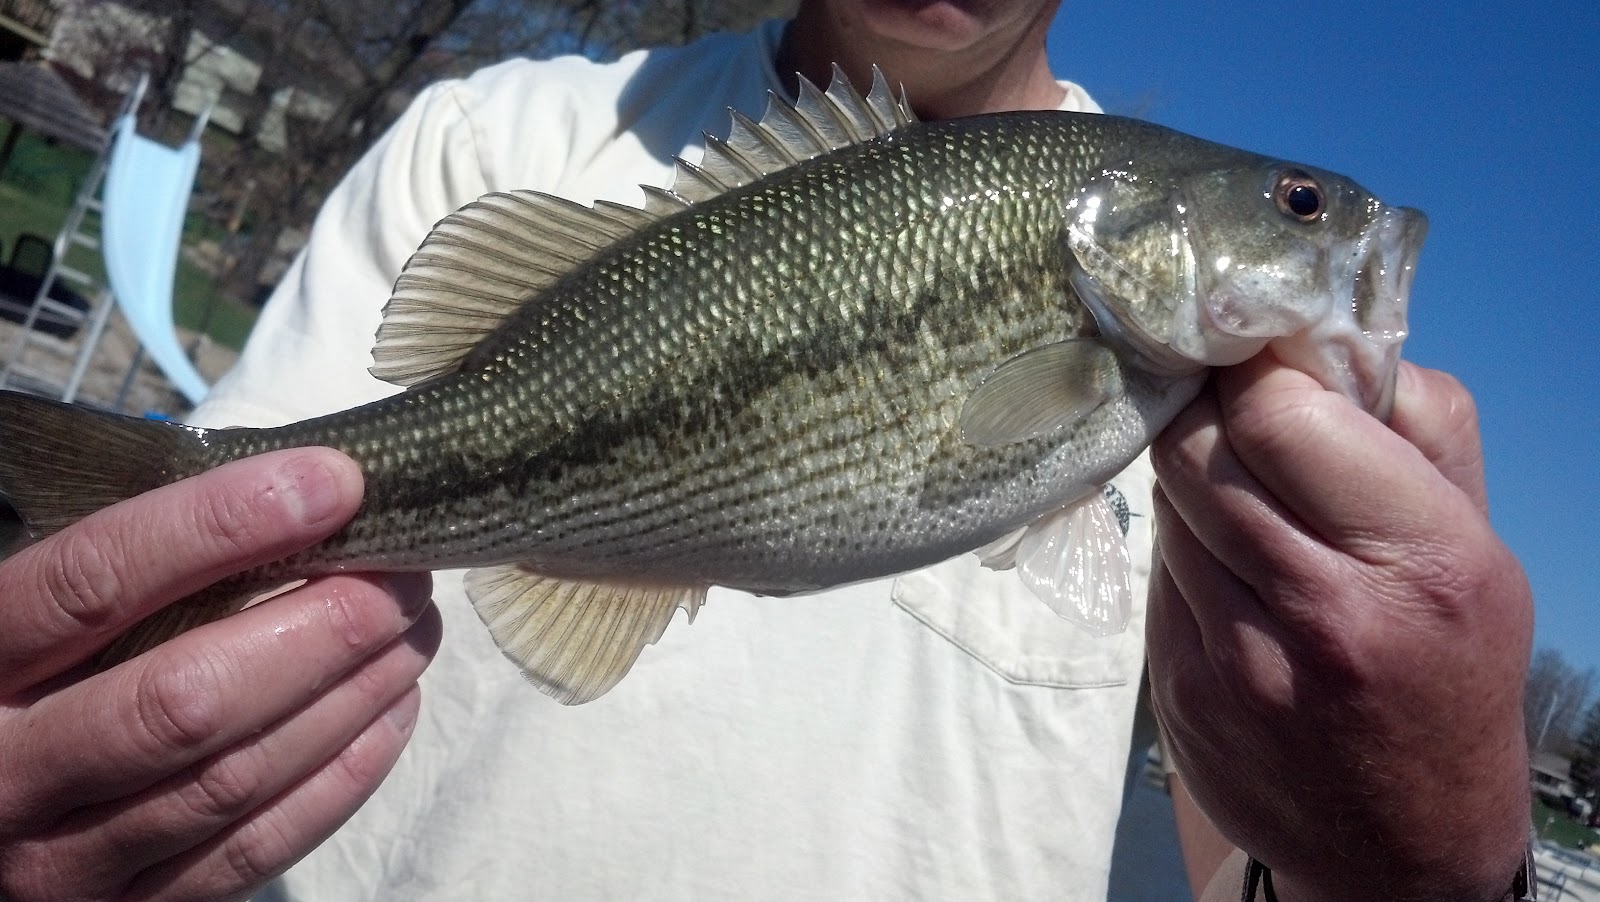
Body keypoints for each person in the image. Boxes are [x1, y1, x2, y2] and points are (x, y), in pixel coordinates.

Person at [0, 1, 1534, 899]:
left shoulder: (1229, 425)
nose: (1326, 229)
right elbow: (144, 690)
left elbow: (1230, 850)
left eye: (1302, 208)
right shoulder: (493, 143)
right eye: (1302, 210)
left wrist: (1432, 864)